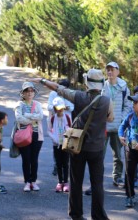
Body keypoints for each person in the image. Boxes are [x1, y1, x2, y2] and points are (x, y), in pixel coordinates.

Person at [33, 68, 114, 220]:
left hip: (77, 146)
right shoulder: (106, 100)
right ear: (101, 84)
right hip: (96, 148)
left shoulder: (78, 96)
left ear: (87, 83)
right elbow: (110, 118)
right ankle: (98, 216)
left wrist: (43, 81)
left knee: (76, 181)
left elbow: (59, 89)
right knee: (97, 183)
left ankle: (76, 214)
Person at [103, 61, 131, 187]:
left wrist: (122, 120)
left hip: (118, 126)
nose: (110, 72)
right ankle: (97, 181)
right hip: (103, 126)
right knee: (99, 155)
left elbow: (128, 106)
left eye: (112, 69)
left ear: (118, 71)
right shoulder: (102, 87)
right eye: (108, 69)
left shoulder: (124, 87)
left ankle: (117, 177)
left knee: (118, 155)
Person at [15, 82, 44, 192]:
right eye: (27, 91)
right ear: (23, 93)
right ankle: (27, 182)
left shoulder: (38, 104)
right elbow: (19, 118)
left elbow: (41, 116)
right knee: (26, 159)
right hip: (24, 135)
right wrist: (33, 119)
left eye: (31, 90)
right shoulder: (19, 104)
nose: (30, 93)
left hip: (36, 134)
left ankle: (34, 181)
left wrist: (27, 116)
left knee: (34, 159)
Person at [48, 79, 75, 176]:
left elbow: (72, 107)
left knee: (67, 144)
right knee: (56, 144)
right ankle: (56, 165)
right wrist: (57, 107)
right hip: (56, 121)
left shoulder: (70, 94)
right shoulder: (53, 94)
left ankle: (66, 166)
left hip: (66, 121)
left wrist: (66, 107)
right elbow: (49, 107)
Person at [48, 97, 72, 193]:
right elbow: (49, 131)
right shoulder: (52, 118)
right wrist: (55, 139)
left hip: (66, 144)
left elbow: (71, 129)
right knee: (58, 163)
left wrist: (67, 136)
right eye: (58, 108)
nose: (60, 110)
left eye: (61, 108)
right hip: (56, 144)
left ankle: (66, 182)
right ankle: (59, 182)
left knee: (66, 163)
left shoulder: (67, 117)